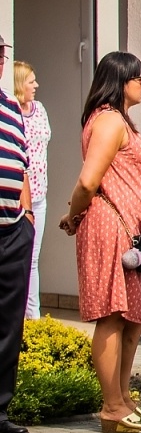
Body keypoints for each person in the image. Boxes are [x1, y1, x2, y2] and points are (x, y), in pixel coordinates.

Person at [59, 52, 141, 433]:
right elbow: (87, 181)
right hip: (109, 227)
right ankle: (112, 405)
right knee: (113, 315)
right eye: (139, 78)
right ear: (122, 80)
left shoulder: (119, 120)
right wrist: (75, 216)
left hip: (129, 232)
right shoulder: (109, 120)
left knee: (134, 315)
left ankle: (124, 396)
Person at [0, 36, 36, 433]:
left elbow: (22, 164)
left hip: (12, 229)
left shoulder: (11, 108)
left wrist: (25, 215)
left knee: (9, 324)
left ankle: (0, 410)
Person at [13, 61, 49, 321]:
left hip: (40, 196)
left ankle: (33, 318)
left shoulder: (40, 110)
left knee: (33, 258)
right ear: (18, 85)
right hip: (16, 197)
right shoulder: (10, 113)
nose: (36, 86)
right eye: (30, 82)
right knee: (16, 260)